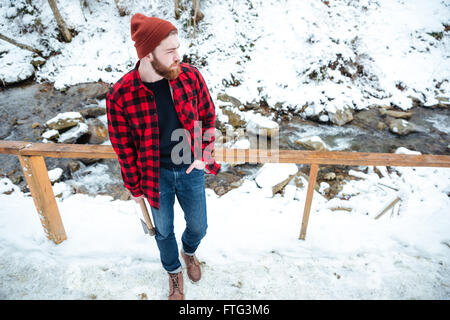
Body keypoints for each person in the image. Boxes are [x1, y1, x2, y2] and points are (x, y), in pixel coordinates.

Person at [106, 13, 220, 300]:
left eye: (177, 48)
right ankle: (173, 272)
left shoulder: (189, 76)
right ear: (147, 54)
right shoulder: (121, 95)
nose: (177, 56)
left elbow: (207, 116)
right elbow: (124, 149)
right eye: (170, 51)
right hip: (154, 176)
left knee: (199, 225)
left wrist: (204, 153)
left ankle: (189, 252)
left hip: (191, 167)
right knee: (163, 231)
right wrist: (135, 189)